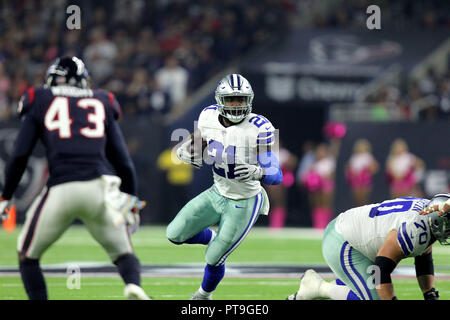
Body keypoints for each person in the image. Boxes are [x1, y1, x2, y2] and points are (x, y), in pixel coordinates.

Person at [0, 56, 149, 300]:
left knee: (27, 255)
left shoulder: (39, 98)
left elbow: (19, 155)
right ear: (83, 81)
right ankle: (133, 285)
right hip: (100, 188)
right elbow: (123, 162)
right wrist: (131, 202)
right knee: (124, 254)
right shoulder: (103, 100)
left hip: (62, 188)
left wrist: (6, 195)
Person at [167, 74, 283, 300]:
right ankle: (213, 237)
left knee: (213, 257)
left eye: (241, 100)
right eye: (231, 100)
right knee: (174, 234)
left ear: (249, 100)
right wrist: (186, 148)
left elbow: (276, 174)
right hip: (217, 191)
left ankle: (203, 295)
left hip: (245, 200)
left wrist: (258, 172)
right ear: (220, 100)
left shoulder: (259, 127)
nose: (236, 105)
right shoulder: (208, 115)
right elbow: (200, 138)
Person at [286, 193, 449, 300]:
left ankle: (310, 289)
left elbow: (424, 260)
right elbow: (380, 269)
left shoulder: (427, 216)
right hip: (343, 241)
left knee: (367, 287)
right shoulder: (415, 228)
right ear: (437, 220)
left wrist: (429, 294)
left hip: (356, 239)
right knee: (375, 296)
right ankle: (318, 288)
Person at [345, 139, 379, 206]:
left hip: (365, 180)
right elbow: (348, 169)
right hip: (355, 181)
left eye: (363, 147)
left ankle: (364, 213)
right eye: (360, 147)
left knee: (364, 198)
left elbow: (375, 168)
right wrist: (352, 174)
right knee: (357, 199)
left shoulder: (368, 156)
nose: (361, 149)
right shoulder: (354, 157)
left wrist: (366, 170)